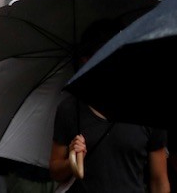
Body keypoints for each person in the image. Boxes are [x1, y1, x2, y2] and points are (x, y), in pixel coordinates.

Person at [49, 20, 170, 193]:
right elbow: (55, 170)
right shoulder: (69, 109)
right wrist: (72, 163)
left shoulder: (149, 108)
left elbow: (159, 180)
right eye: (91, 59)